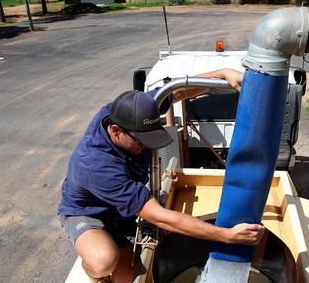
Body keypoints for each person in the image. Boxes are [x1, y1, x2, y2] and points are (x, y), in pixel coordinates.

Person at [58, 68, 262, 283]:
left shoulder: (131, 112)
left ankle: (112, 244)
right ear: (116, 131)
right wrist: (226, 236)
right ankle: (91, 267)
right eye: (140, 141)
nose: (145, 146)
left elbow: (177, 90)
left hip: (121, 210)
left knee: (127, 278)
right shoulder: (96, 165)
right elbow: (160, 217)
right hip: (88, 212)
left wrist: (222, 74)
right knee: (104, 262)